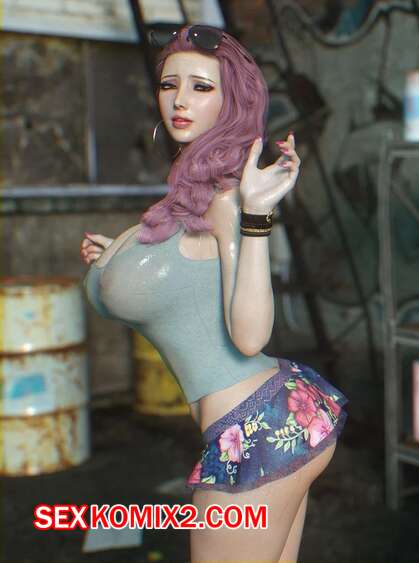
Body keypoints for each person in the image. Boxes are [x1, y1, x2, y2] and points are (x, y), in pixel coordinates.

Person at [79, 25, 346, 562]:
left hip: (258, 428)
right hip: (276, 415)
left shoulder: (226, 201)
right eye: (169, 84)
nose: (179, 100)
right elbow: (188, 275)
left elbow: (250, 336)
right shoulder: (188, 194)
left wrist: (258, 215)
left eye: (201, 87)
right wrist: (120, 257)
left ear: (231, 102)